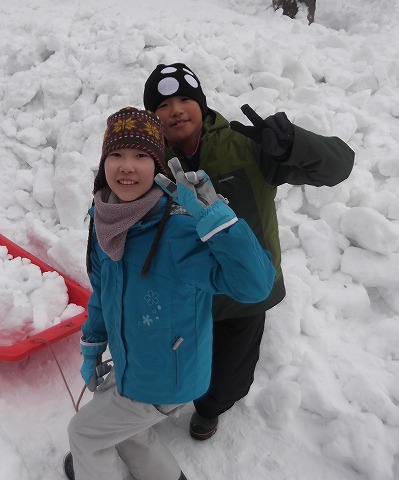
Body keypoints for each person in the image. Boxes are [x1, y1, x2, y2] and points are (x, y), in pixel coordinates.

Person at [142, 63, 355, 441]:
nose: (175, 109)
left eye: (185, 99)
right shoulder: (148, 160)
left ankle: (210, 410)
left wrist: (294, 145)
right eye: (162, 104)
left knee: (230, 369)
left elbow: (338, 166)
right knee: (173, 356)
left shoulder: (245, 146)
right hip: (183, 291)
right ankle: (164, 400)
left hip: (242, 292)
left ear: (202, 105)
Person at [63, 106, 276, 480]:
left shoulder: (180, 231)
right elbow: (103, 289)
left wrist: (218, 219)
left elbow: (255, 285)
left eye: (141, 156)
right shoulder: (106, 218)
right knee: (128, 432)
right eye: (116, 154)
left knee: (84, 434)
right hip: (134, 361)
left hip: (168, 376)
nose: (126, 166)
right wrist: (93, 344)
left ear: (158, 164)